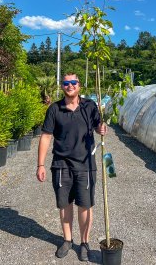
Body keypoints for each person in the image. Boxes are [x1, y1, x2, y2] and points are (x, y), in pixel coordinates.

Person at [36, 72, 107, 262]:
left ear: (79, 85)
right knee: (64, 205)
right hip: (61, 165)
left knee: (85, 205)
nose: (70, 85)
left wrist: (101, 128)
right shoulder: (54, 109)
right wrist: (40, 164)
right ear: (62, 87)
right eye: (66, 83)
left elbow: (98, 126)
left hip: (86, 164)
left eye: (73, 82)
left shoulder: (89, 106)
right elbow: (45, 137)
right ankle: (67, 240)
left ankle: (84, 242)